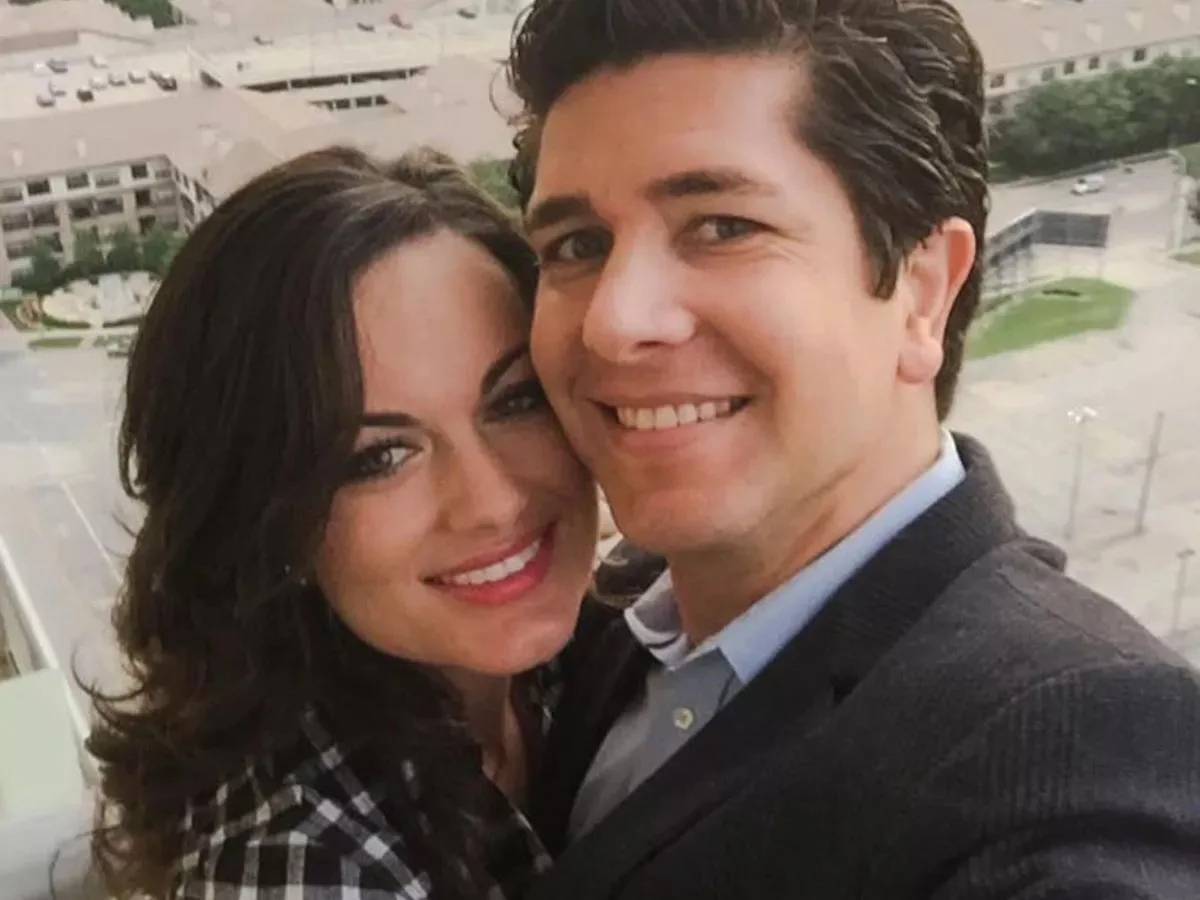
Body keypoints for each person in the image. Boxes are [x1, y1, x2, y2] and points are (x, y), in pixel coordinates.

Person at [505, 0, 1200, 897]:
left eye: (721, 226)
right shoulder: (606, 625)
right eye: (576, 245)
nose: (613, 321)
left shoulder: (1079, 744)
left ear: (922, 292)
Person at [85, 146, 601, 899]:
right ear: (267, 521)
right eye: (381, 456)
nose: (492, 501)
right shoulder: (297, 863)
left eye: (515, 400)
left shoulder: (602, 657)